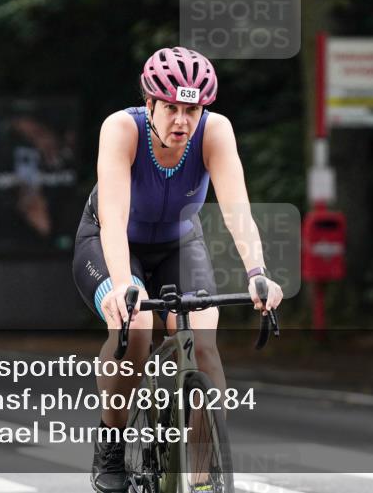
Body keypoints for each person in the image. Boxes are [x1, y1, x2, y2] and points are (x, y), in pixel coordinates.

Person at [71, 46, 284, 493]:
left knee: (203, 343)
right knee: (137, 329)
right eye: (171, 108)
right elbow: (113, 217)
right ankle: (111, 443)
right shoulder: (121, 129)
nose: (182, 121)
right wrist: (123, 286)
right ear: (149, 103)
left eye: (192, 110)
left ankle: (202, 478)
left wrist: (257, 273)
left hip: (179, 243)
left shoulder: (215, 132)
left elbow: (238, 212)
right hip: (112, 240)